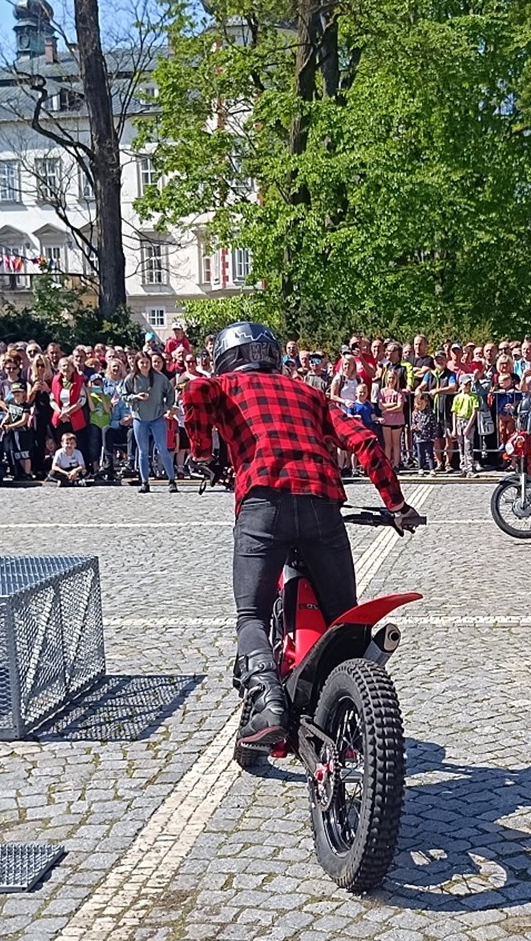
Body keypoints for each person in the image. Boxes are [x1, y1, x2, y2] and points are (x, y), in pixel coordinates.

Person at [183, 322, 423, 752]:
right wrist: (397, 506)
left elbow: (196, 391)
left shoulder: (226, 385)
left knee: (251, 616)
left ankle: (269, 702)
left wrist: (201, 452)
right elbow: (366, 442)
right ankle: (349, 713)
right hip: (321, 505)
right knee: (345, 618)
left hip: (263, 504)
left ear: (225, 358)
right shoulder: (309, 394)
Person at [128, 353, 178, 493]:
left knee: (163, 449)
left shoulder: (160, 377)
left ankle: (171, 480)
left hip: (157, 418)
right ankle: (144, 482)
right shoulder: (131, 379)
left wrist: (167, 407)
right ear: (137, 364)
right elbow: (124, 395)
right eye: (142, 362)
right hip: (140, 419)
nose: (145, 365)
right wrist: (136, 397)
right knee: (143, 451)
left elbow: (170, 392)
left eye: (147, 362)